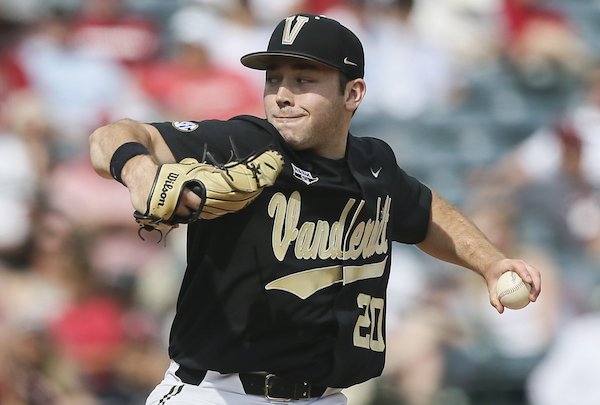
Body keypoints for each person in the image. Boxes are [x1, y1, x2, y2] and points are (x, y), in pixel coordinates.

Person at [88, 13, 542, 405]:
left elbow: (425, 212)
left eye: (304, 79)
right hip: (219, 393)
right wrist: (138, 169)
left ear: (353, 94)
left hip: (325, 396)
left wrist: (490, 262)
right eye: (274, 79)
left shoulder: (374, 166)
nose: (282, 94)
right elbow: (114, 134)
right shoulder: (244, 143)